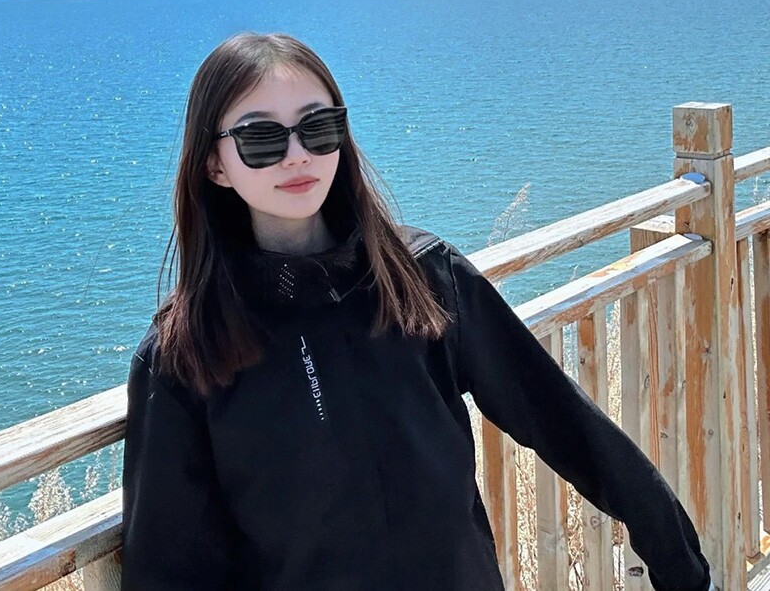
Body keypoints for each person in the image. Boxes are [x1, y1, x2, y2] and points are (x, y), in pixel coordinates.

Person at [120, 30, 715, 591]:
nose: (297, 156)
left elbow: (558, 417)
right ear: (214, 164)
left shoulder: (422, 278)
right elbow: (168, 567)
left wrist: (677, 559)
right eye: (262, 138)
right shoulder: (188, 352)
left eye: (319, 127)